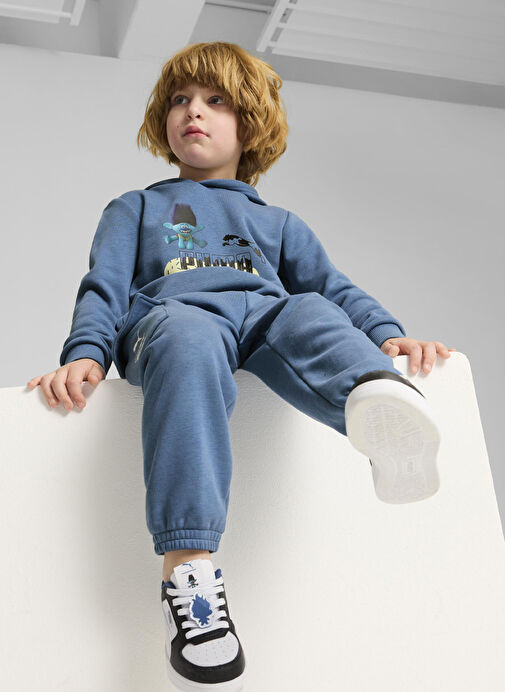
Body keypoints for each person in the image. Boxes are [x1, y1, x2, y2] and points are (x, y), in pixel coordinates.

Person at [26, 41, 455, 691]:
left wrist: (388, 338)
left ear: (249, 124)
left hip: (262, 317)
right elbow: (103, 290)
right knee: (190, 340)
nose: (192, 111)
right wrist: (85, 354)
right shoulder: (135, 207)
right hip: (171, 320)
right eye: (179, 100)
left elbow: (335, 288)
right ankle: (190, 578)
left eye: (215, 100)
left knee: (309, 310)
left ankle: (377, 403)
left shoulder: (277, 223)